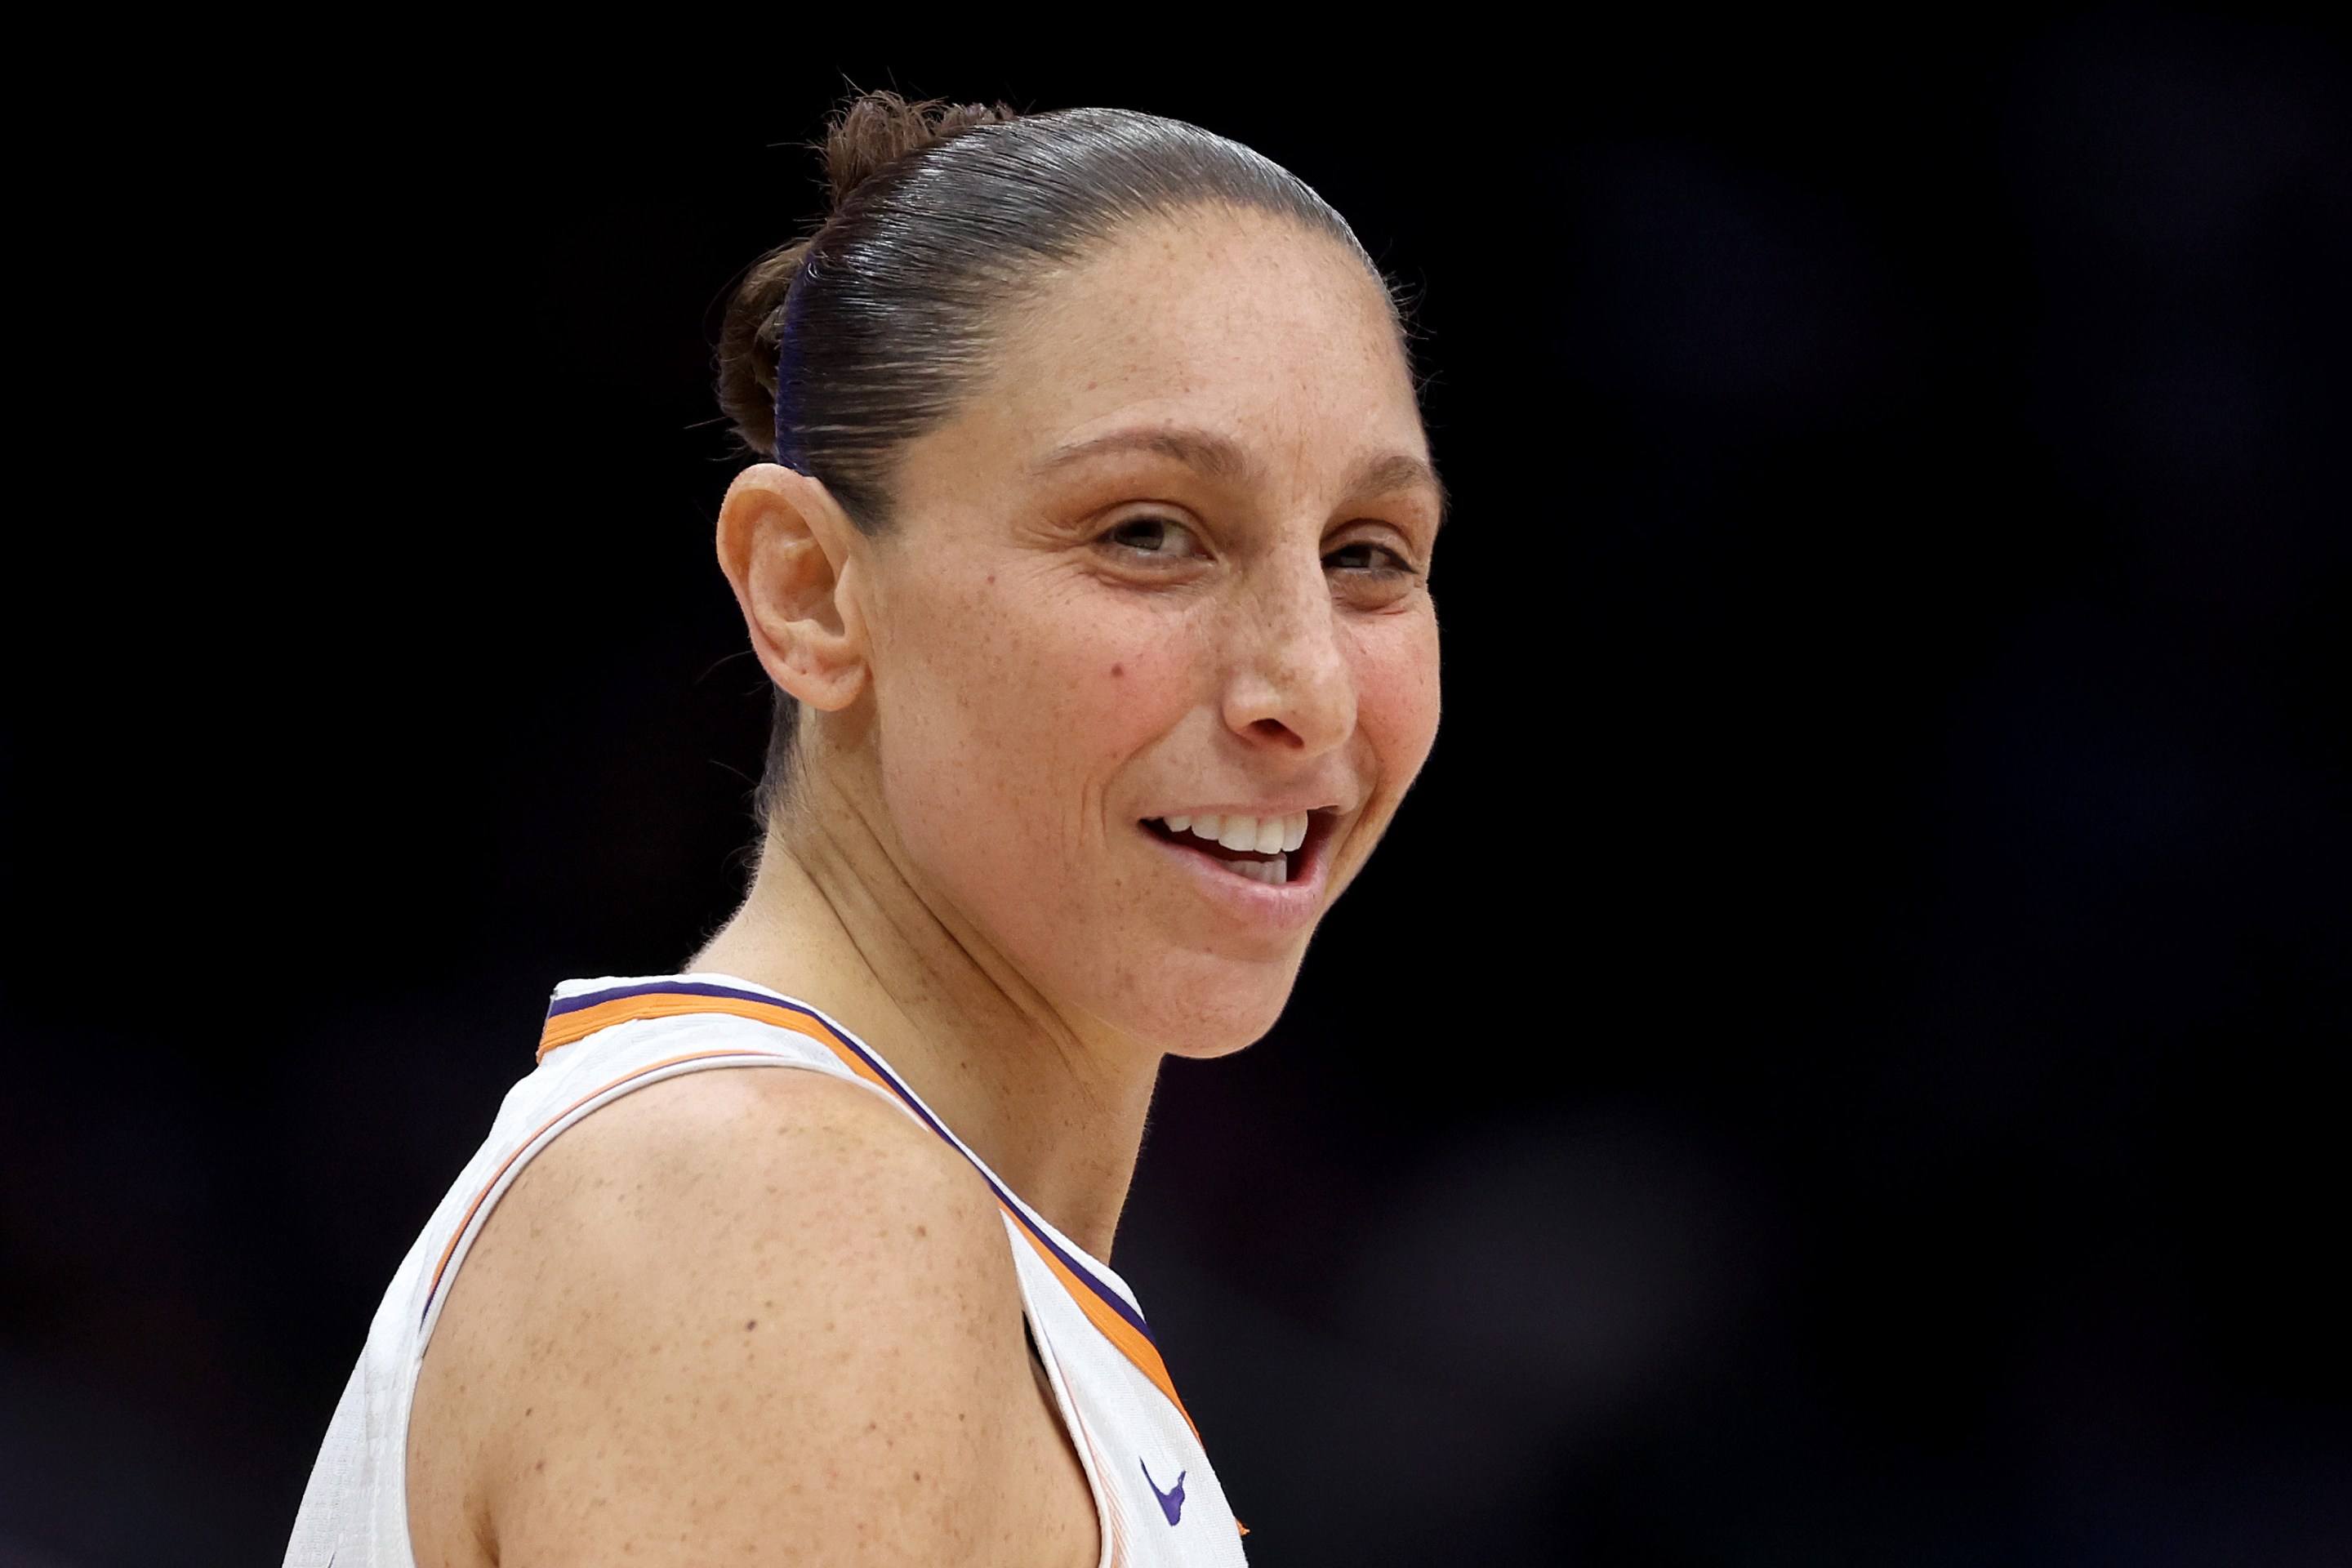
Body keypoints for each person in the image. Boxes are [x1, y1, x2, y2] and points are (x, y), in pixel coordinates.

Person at [286, 91, 1444, 1567]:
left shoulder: (885, 1229)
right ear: (808, 592)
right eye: (1148, 532)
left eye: (1368, 554)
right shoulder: (779, 1208)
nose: (1309, 688)